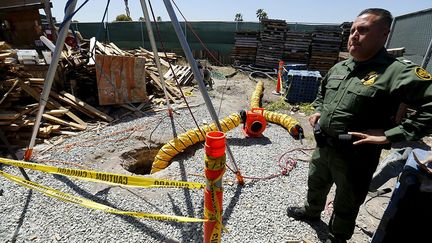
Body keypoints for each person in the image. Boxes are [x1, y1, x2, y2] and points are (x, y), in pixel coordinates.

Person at [286, 8, 432, 243]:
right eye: (352, 30)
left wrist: (391, 134)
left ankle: (338, 236)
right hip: (324, 146)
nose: (354, 35)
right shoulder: (341, 67)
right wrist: (317, 111)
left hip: (356, 156)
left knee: (348, 200)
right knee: (316, 182)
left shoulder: (396, 72)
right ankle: (312, 212)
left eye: (363, 30)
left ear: (384, 34)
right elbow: (323, 93)